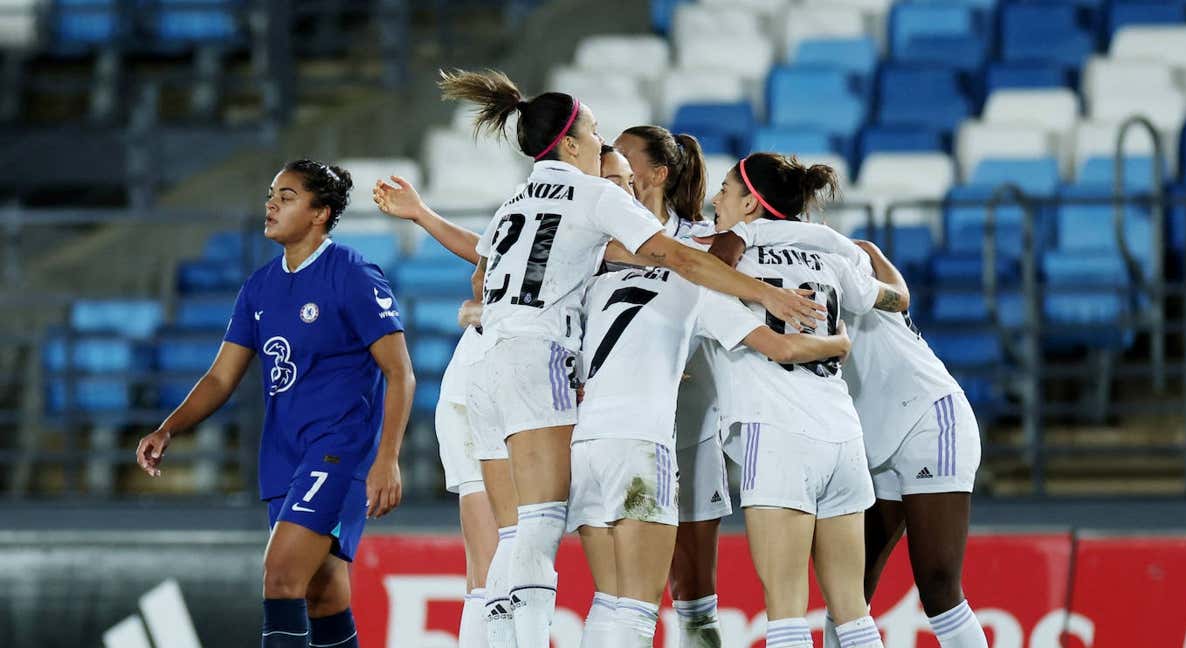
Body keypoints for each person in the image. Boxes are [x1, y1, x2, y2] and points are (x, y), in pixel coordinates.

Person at [437, 68, 818, 648]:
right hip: (576, 390)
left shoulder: (512, 201)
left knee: (516, 539)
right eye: (593, 133)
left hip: (489, 370)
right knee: (591, 574)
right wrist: (766, 292)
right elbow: (678, 258)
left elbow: (485, 273)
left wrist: (472, 302)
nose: (601, 144)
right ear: (568, 142)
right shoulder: (596, 198)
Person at [136, 159, 415, 648]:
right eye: (271, 195)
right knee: (321, 594)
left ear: (319, 213)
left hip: (337, 449)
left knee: (280, 575)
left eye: (287, 198)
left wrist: (387, 458)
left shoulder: (351, 273)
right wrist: (168, 428)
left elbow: (400, 372)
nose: (271, 204)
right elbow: (221, 376)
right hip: (284, 455)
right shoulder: (260, 286)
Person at [713, 222, 989, 648]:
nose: (717, 217)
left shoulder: (838, 254)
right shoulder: (745, 264)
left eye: (726, 198)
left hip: (927, 418)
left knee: (938, 588)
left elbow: (896, 296)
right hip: (867, 439)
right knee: (848, 599)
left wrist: (745, 233)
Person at [569, 264, 851, 648]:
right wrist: (839, 344)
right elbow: (781, 347)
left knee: (611, 600)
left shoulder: (600, 278)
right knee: (642, 609)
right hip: (647, 442)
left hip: (591, 440)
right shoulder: (700, 279)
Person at [708, 153, 910, 648]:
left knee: (785, 613)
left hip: (776, 435)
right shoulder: (833, 256)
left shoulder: (725, 269)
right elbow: (897, 299)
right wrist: (842, 336)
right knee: (854, 613)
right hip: (842, 437)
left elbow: (696, 272)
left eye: (726, 191)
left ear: (752, 205)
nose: (715, 200)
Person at [613, 124, 729, 646]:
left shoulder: (706, 242)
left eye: (622, 155)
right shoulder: (599, 238)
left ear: (656, 174)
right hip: (624, 430)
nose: (609, 160)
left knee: (696, 596)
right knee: (624, 595)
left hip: (691, 426)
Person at [372, 174, 498, 648]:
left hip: (521, 401)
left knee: (515, 571)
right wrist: (422, 214)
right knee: (492, 573)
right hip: (479, 395)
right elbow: (484, 259)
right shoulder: (562, 218)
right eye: (613, 176)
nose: (621, 184)